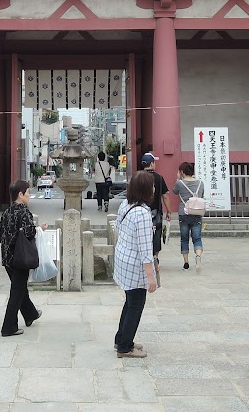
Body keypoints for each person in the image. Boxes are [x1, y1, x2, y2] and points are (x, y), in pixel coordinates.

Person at [0, 179, 46, 336]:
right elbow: (29, 233)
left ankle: (30, 314)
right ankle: (8, 327)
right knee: (17, 290)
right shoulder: (24, 213)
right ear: (20, 194)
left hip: (8, 258)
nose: (29, 195)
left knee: (19, 287)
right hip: (21, 257)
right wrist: (40, 228)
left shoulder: (7, 213)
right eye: (28, 192)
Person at [113, 170, 158, 358]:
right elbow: (145, 249)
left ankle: (121, 339)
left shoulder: (126, 204)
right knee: (136, 305)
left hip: (123, 259)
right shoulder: (142, 213)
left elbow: (117, 227)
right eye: (152, 185)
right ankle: (124, 347)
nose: (154, 188)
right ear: (146, 189)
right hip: (135, 265)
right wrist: (151, 276)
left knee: (130, 302)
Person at [140, 152, 170, 284]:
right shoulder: (159, 178)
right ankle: (155, 257)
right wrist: (169, 210)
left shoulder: (138, 177)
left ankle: (144, 257)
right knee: (156, 234)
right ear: (151, 163)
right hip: (156, 212)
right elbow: (165, 196)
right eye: (154, 162)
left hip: (141, 212)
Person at [173, 162, 204, 272]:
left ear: (182, 172)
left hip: (184, 213)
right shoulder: (200, 183)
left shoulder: (180, 183)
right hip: (197, 213)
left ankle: (186, 263)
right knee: (197, 238)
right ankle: (198, 255)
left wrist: (178, 179)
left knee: (184, 238)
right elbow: (201, 195)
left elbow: (174, 192)